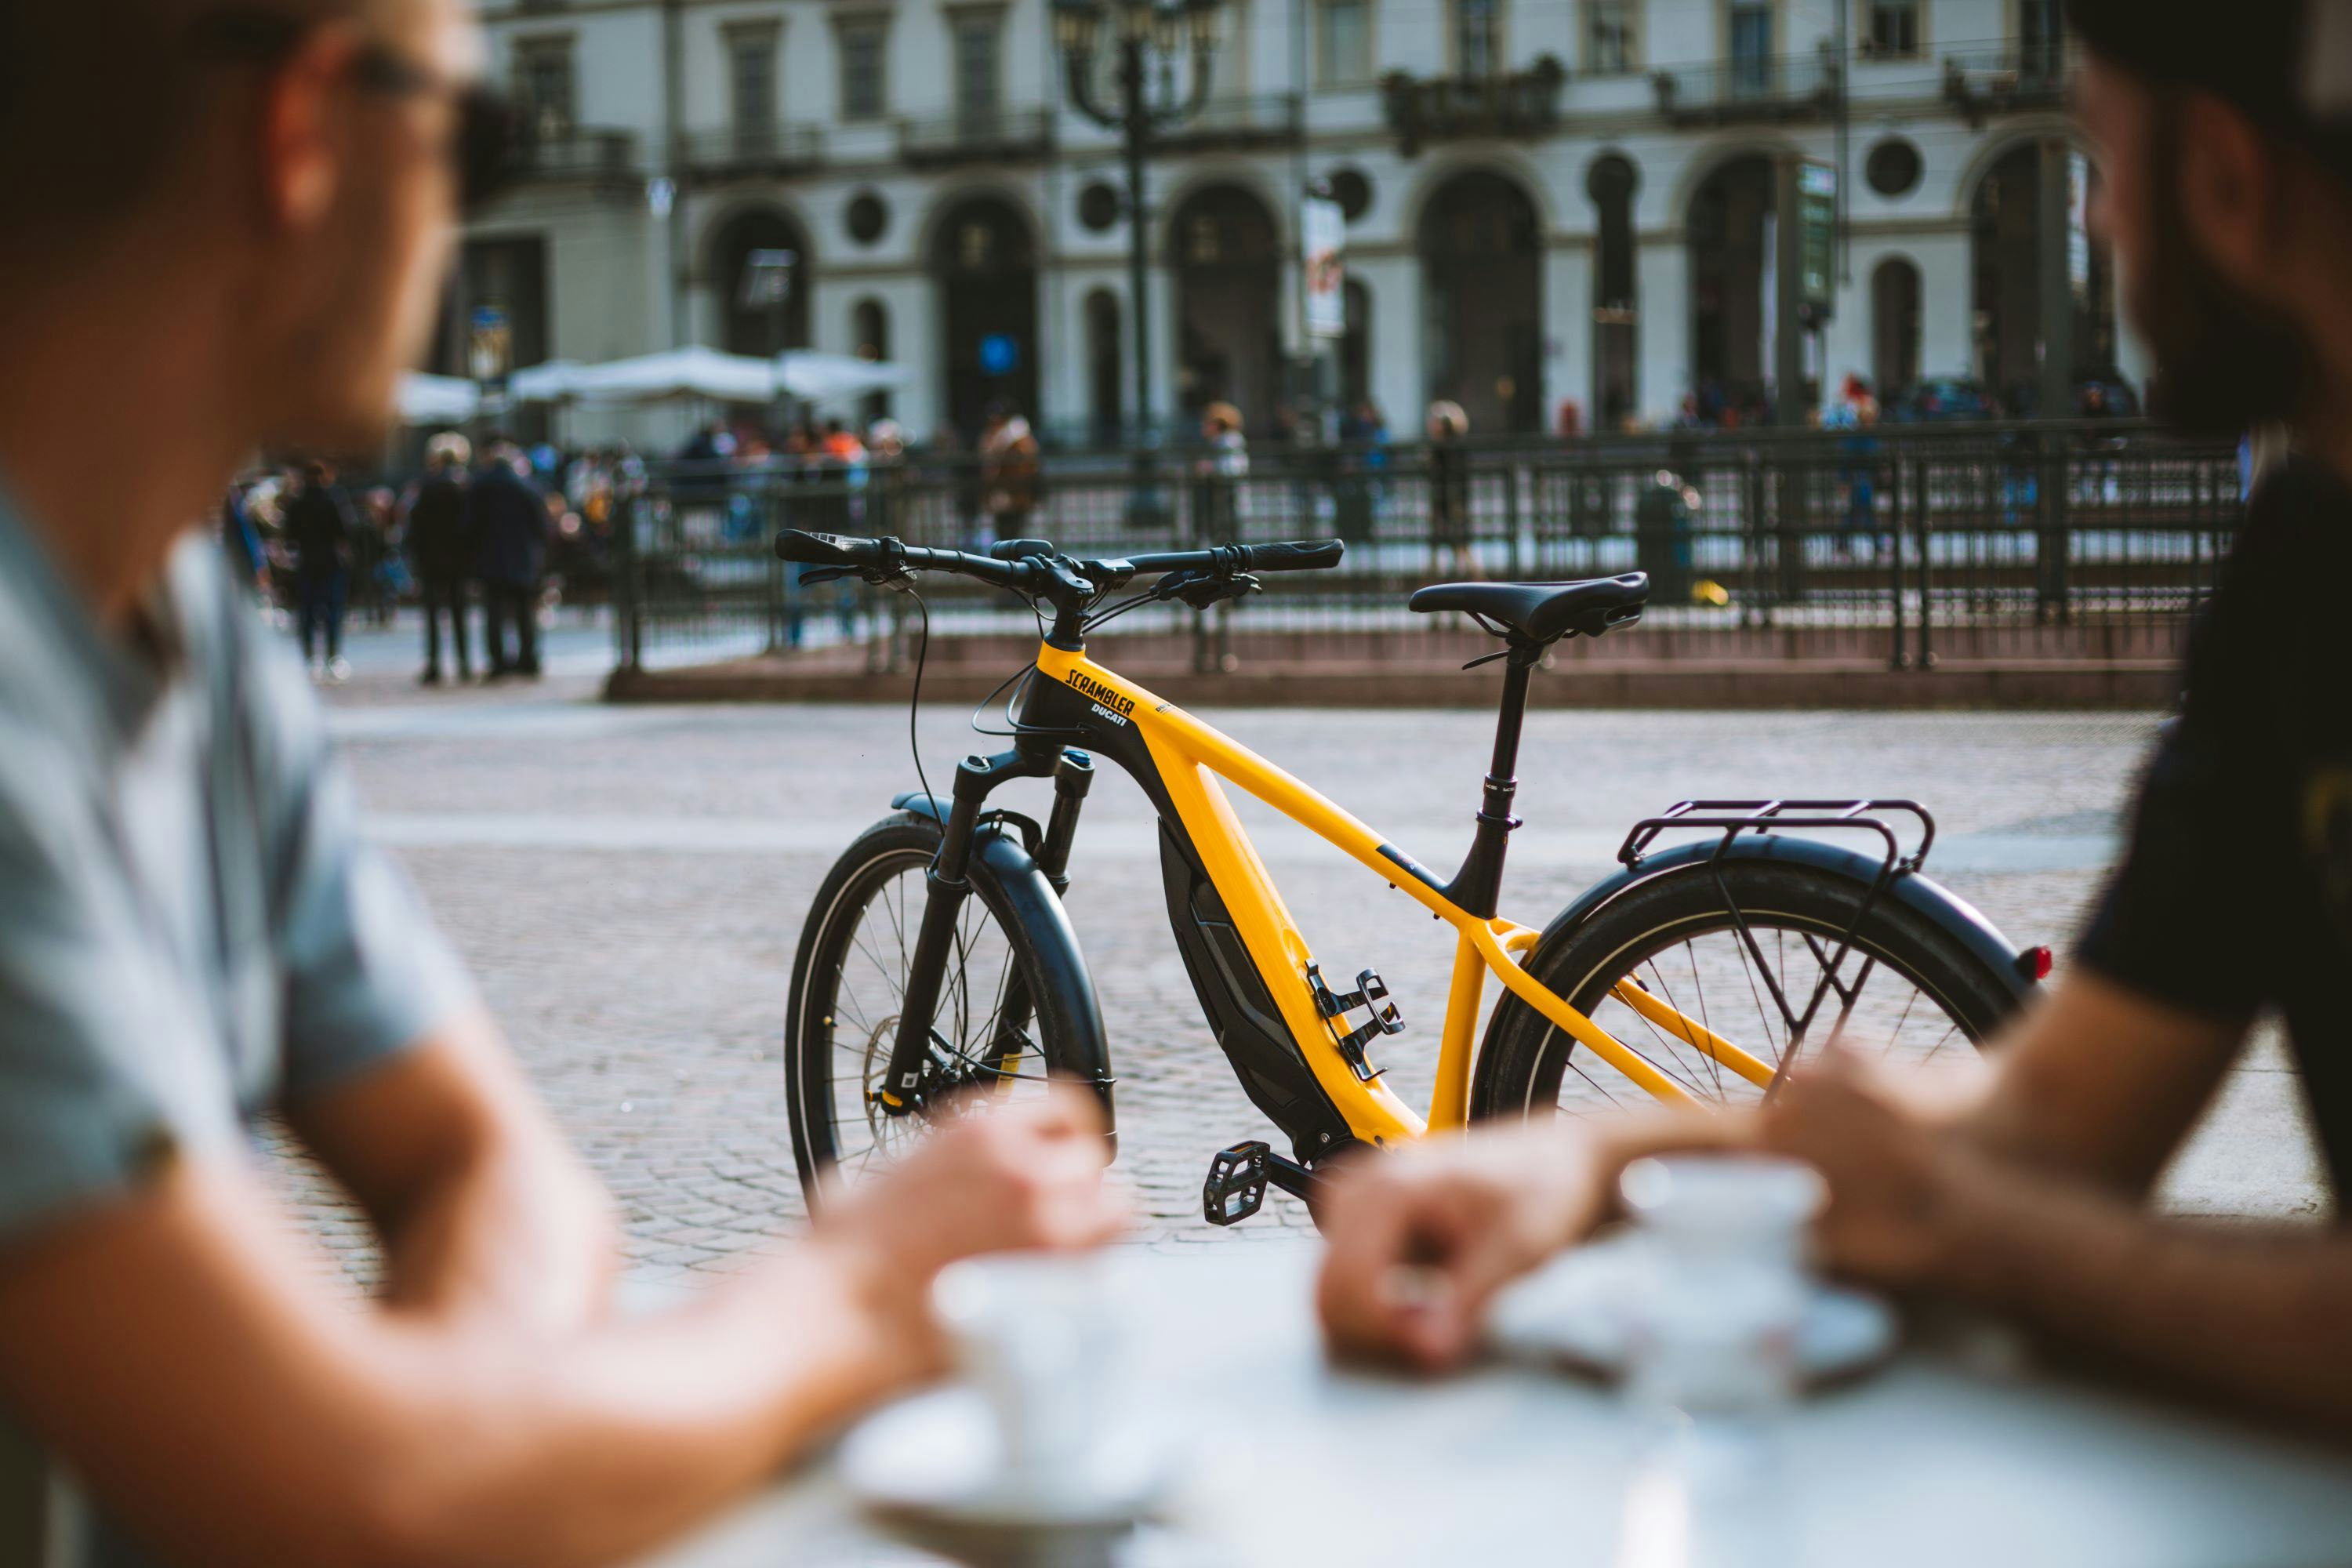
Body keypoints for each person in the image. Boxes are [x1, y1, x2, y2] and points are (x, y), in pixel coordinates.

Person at [0, 5, 1127, 1565]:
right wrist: (862, 1280)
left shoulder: (189, 622)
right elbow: (369, 1499)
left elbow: (494, 1165)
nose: (461, 215)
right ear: (305, 131)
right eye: (478, 140)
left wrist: (463, 1435)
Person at [1316, 0, 2352, 1432]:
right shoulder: (2307, 564)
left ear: (2229, 177)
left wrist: (1976, 1233)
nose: (2100, 224)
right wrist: (1590, 1173)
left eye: (2103, 165)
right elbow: (2055, 1117)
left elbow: (2010, 1195)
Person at [471, 439, 549, 679]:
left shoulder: (480, 486)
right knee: (525, 612)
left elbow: (470, 524)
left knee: (493, 613)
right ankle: (529, 659)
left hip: (490, 557)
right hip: (522, 557)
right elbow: (541, 525)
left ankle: (498, 662)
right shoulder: (527, 487)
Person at [406, 430, 475, 684]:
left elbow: (415, 524)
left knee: (433, 615)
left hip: (431, 558)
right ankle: (464, 663)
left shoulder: (427, 486)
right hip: (458, 558)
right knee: (459, 612)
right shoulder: (466, 486)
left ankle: (434, 664)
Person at [285, 458, 358, 681]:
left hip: (306, 560)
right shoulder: (334, 500)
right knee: (333, 612)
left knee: (307, 612)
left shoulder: (297, 502)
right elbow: (345, 531)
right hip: (330, 561)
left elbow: (290, 535)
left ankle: (309, 658)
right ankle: (333, 656)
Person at [978, 401, 1040, 546]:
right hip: (1005, 491)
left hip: (1013, 492)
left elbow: (1025, 467)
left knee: (1011, 531)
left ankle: (1010, 562)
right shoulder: (999, 436)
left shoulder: (1017, 438)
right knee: (1005, 530)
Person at [1425, 399, 1473, 579]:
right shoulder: (1437, 447)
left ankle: (1471, 580)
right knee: (1441, 543)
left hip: (1453, 500)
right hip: (1441, 499)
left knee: (1459, 544)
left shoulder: (1453, 447)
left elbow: (1457, 475)